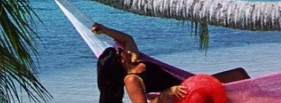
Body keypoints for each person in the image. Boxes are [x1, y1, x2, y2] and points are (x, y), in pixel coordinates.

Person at [92, 23, 228, 103]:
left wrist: (104, 30)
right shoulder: (130, 80)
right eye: (119, 51)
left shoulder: (134, 59)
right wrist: (167, 93)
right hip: (185, 96)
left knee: (238, 76)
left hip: (191, 84)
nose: (121, 49)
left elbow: (128, 39)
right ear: (120, 60)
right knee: (235, 83)